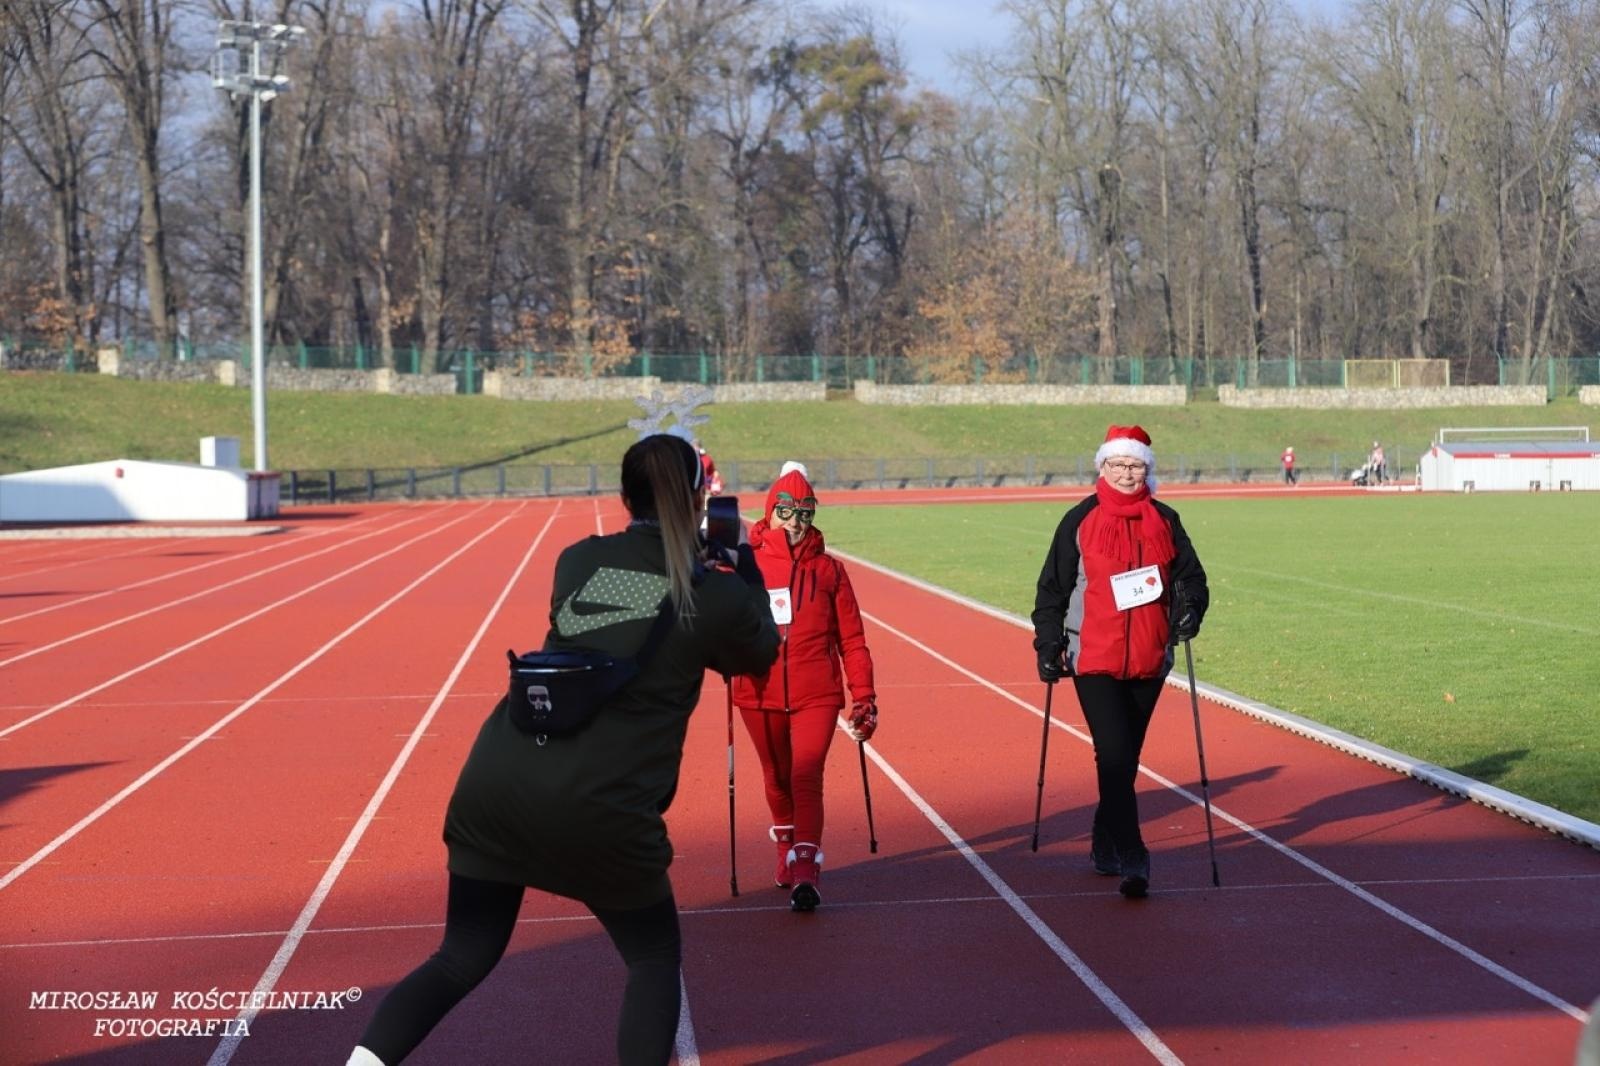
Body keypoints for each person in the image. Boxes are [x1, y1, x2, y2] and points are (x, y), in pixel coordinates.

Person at [347, 433, 779, 1066]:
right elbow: (760, 654)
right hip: (601, 806)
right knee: (653, 958)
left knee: (460, 956)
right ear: (696, 500)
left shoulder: (578, 562)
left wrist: (692, 566)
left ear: (623, 496)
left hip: (498, 782)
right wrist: (744, 574)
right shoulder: (710, 596)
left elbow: (624, 612)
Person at [1031, 425, 1209, 900]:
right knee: (1112, 754)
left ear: (1147, 470)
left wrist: (1191, 609)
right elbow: (1052, 588)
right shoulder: (1080, 519)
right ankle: (1134, 853)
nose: (1129, 474)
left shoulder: (1166, 519)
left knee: (1124, 760)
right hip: (1094, 656)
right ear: (1103, 467)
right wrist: (1047, 644)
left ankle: (1103, 834)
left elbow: (1192, 578)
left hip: (1150, 657)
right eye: (1120, 465)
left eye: (1137, 466)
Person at [731, 466, 877, 913]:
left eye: (805, 512)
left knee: (805, 775)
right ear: (771, 512)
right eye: (787, 511)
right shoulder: (744, 565)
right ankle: (786, 848)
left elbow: (851, 638)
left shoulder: (830, 570)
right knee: (776, 778)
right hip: (758, 691)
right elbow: (717, 622)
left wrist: (864, 696)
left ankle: (806, 869)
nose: (796, 521)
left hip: (818, 692)